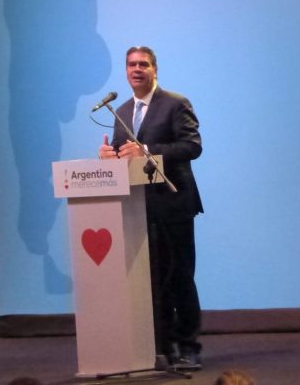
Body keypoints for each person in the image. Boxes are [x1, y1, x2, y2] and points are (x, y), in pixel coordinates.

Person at [99, 46, 204, 370]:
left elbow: (192, 146)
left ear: (155, 69)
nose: (137, 69)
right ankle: (162, 346)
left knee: (180, 277)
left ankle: (188, 347)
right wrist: (109, 157)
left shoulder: (175, 103)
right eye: (131, 64)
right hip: (139, 208)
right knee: (152, 281)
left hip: (174, 205)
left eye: (143, 64)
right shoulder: (122, 110)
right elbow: (123, 154)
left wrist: (146, 149)